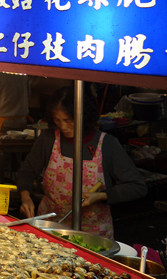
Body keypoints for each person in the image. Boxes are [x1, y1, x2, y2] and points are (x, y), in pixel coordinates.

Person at [17, 87, 147, 238]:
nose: (63, 126)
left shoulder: (107, 144)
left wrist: (101, 196)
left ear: (82, 116)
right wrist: (25, 198)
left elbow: (137, 186)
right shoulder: (49, 138)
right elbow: (26, 172)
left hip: (93, 233)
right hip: (50, 225)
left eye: (68, 120)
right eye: (57, 120)